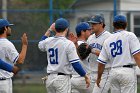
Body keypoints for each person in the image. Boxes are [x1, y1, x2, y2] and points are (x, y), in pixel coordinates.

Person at [38, 18, 90, 93]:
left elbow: (40, 44)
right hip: (62, 79)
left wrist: (49, 30)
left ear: (55, 29)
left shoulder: (48, 41)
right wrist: (85, 76)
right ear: (66, 29)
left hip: (49, 79)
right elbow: (75, 64)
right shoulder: (68, 43)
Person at [96, 15, 140, 93]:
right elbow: (137, 56)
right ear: (126, 24)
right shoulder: (130, 35)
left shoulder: (108, 40)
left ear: (113, 24)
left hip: (113, 73)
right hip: (127, 71)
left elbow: (101, 63)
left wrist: (99, 77)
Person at [0, 19, 28, 93]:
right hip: (3, 83)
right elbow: (20, 60)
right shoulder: (7, 44)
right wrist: (24, 45)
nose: (10, 29)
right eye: (8, 27)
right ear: (5, 28)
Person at [87, 14, 112, 93]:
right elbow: (86, 54)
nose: (92, 26)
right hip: (91, 72)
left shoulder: (109, 37)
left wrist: (93, 51)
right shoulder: (90, 38)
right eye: (91, 24)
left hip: (104, 72)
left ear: (101, 24)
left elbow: (109, 55)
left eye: (94, 24)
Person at [70, 22, 92, 93]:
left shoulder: (71, 45)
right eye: (88, 30)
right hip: (84, 79)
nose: (90, 31)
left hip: (73, 79)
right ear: (83, 32)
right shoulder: (84, 45)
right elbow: (82, 58)